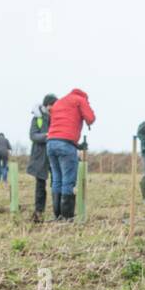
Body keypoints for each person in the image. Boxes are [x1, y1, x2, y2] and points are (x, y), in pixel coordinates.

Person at [46, 88, 95, 221]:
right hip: (65, 146)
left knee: (56, 179)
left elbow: (59, 125)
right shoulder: (80, 100)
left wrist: (76, 145)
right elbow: (90, 118)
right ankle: (67, 216)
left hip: (50, 143)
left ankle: (57, 215)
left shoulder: (60, 102)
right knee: (68, 180)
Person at [27, 94, 56, 222]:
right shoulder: (37, 118)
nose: (53, 108)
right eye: (52, 105)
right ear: (46, 105)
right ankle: (39, 213)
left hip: (54, 154)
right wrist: (47, 136)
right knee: (40, 186)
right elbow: (33, 136)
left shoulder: (57, 117)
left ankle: (58, 212)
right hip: (40, 156)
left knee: (56, 183)